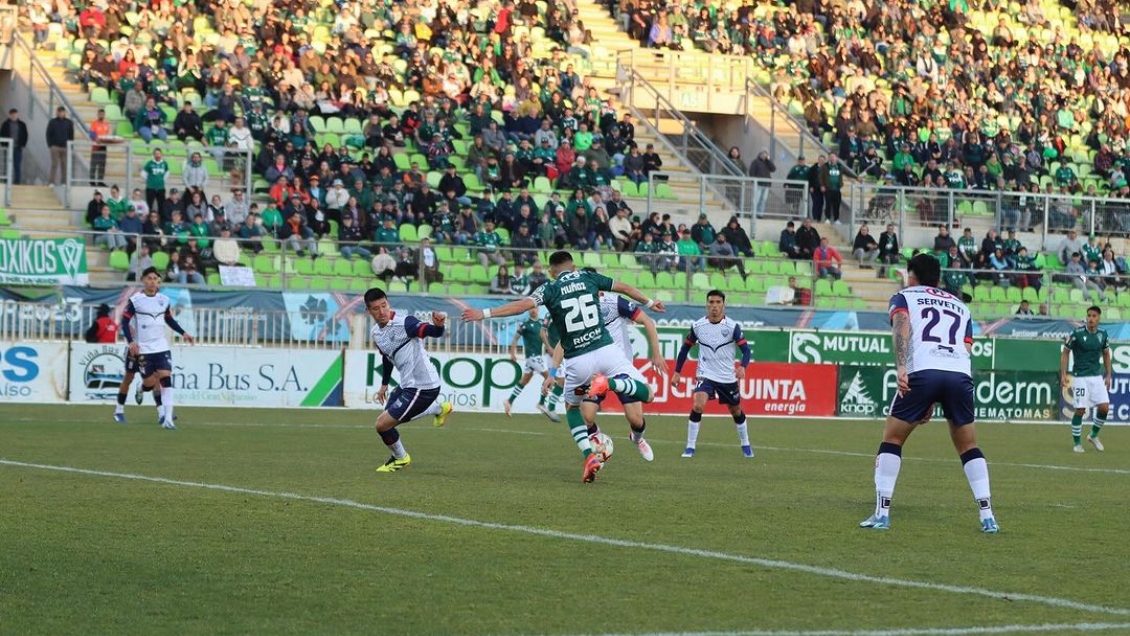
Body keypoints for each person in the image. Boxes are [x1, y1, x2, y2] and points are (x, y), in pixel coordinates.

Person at [462, 251, 666, 483]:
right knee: (648, 393)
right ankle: (609, 384)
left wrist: (483, 313)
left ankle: (589, 457)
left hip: (578, 363)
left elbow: (521, 306)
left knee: (571, 409)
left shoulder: (549, 288)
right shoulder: (588, 278)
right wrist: (650, 302)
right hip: (606, 352)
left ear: (551, 271)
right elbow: (626, 288)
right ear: (573, 266)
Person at [860, 254, 998, 533]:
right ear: (938, 277)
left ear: (912, 276)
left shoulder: (905, 296)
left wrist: (902, 366)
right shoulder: (960, 305)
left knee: (893, 438)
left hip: (922, 371)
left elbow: (901, 325)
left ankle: (882, 513)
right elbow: (966, 347)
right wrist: (939, 394)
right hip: (959, 374)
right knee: (969, 446)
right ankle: (988, 516)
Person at [365, 288, 454, 473]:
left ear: (388, 303)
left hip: (424, 386)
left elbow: (427, 330)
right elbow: (386, 358)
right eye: (375, 308)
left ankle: (401, 458)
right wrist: (383, 385)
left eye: (384, 305)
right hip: (408, 385)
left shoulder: (405, 323)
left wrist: (438, 327)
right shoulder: (376, 333)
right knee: (388, 418)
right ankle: (440, 409)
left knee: (382, 424)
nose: (381, 311)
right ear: (369, 311)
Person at [672, 290, 753, 458]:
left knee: (736, 410)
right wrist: (677, 372)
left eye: (718, 302)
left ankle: (745, 443)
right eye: (711, 302)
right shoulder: (698, 326)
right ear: (706, 305)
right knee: (698, 405)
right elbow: (685, 348)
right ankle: (690, 446)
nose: (714, 306)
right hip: (705, 374)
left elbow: (746, 350)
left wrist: (743, 367)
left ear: (723, 305)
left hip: (727, 377)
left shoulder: (732, 327)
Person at [119, 267, 196, 429]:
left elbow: (169, 319)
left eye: (155, 278)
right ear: (143, 281)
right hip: (144, 349)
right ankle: (141, 388)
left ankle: (168, 418)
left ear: (158, 281)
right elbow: (125, 321)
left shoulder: (164, 300)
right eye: (149, 278)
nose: (152, 281)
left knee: (165, 378)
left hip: (161, 346)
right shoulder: (136, 301)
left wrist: (184, 333)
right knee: (149, 383)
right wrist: (131, 342)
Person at [1060, 306, 1111, 453]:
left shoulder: (1103, 335)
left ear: (1099, 318)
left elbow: (1106, 354)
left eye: (1094, 316)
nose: (1091, 318)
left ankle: (1093, 435)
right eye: (1089, 315)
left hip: (1096, 377)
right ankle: (1077, 444)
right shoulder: (1077, 333)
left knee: (1104, 407)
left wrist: (1108, 375)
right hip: (1080, 377)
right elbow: (1065, 352)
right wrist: (1063, 374)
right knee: (1080, 410)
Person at [503, 307, 557, 421]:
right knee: (549, 377)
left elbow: (546, 336)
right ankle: (541, 403)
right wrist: (512, 353)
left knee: (524, 381)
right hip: (532, 357)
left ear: (538, 309)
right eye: (530, 308)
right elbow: (515, 339)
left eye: (534, 308)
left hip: (538, 356)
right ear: (527, 311)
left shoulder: (542, 323)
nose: (532, 310)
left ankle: (509, 401)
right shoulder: (525, 324)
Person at [46, 106, 74, 186]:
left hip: (65, 146)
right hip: (55, 146)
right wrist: (50, 145)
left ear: (65, 113)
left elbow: (71, 135)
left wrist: (71, 146)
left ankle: (64, 182)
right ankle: (51, 182)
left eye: (62, 112)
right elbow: (48, 134)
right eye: (59, 112)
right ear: (57, 113)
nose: (61, 114)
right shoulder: (52, 122)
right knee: (54, 164)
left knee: (64, 165)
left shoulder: (69, 122)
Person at [1, 109, 29, 184]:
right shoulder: (5, 124)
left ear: (17, 115)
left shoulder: (22, 124)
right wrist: (4, 145)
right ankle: (5, 180)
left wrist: (23, 144)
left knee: (17, 164)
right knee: (6, 164)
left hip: (18, 147)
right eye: (12, 114)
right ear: (10, 115)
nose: (14, 116)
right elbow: (2, 134)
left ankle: (17, 181)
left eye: (15, 114)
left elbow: (25, 135)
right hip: (8, 148)